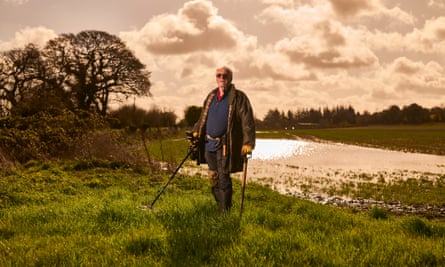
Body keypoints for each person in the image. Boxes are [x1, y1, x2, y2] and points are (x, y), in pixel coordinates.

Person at [191, 66, 256, 214]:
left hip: (225, 144)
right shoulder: (211, 96)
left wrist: (248, 143)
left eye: (225, 76)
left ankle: (224, 213)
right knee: (213, 176)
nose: (221, 78)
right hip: (209, 144)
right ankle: (221, 206)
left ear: (230, 78)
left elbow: (248, 121)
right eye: (219, 75)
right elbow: (203, 117)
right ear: (216, 78)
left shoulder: (238, 97)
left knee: (223, 178)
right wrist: (196, 132)